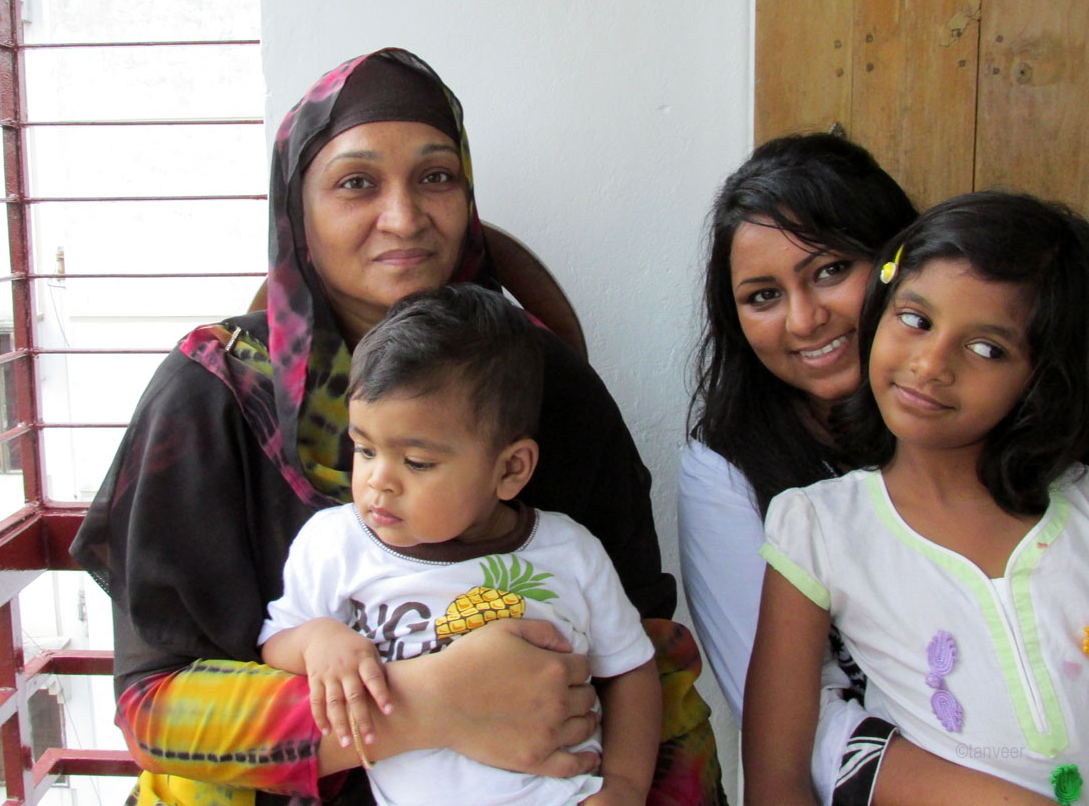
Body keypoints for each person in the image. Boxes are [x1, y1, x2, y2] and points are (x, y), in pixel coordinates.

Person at [71, 47, 724, 806]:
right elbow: (157, 709)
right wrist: (431, 707)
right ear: (298, 211)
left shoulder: (543, 384)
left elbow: (642, 651)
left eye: (436, 177)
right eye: (356, 182)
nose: (405, 217)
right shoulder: (211, 396)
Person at [743, 191, 1089, 805]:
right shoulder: (820, 527)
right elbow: (776, 778)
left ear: (1041, 380)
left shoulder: (1081, 507)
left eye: (987, 349)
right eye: (916, 320)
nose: (930, 364)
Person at [260, 283, 661, 806]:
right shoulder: (336, 545)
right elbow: (276, 644)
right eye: (364, 449)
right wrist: (318, 641)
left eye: (417, 462)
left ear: (510, 469)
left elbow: (631, 670)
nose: (378, 481)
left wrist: (626, 787)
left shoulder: (569, 551)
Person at [679, 133, 919, 802]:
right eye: (764, 296)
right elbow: (795, 730)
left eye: (831, 270)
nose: (806, 320)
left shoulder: (976, 426)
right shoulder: (727, 469)